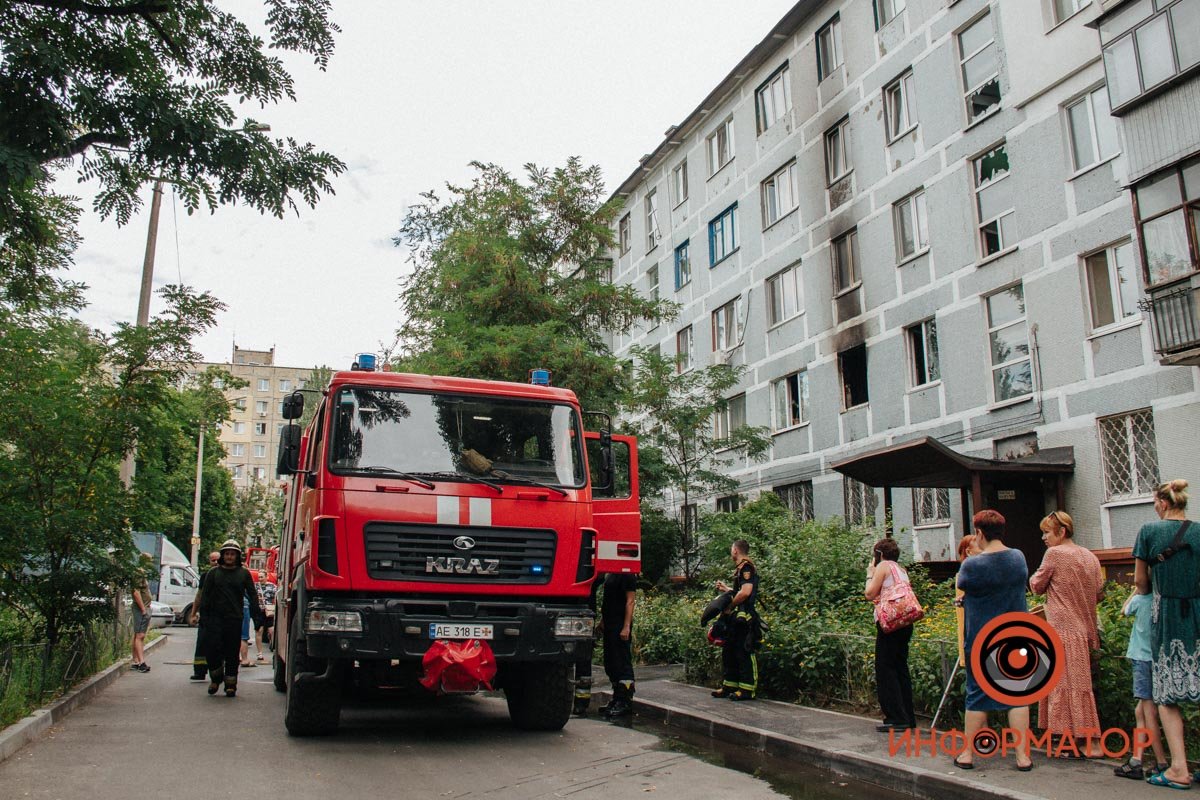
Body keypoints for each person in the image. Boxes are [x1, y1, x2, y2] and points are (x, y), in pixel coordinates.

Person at [953, 509, 1033, 771]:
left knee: (977, 695)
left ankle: (967, 754)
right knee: (1017, 696)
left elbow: (964, 586)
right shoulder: (1018, 558)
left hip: (981, 638)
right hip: (1014, 636)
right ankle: (1022, 757)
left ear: (979, 532)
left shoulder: (972, 565)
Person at [1132, 479, 1196, 789]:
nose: (1155, 508)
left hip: (1168, 616)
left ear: (1165, 503)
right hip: (1198, 612)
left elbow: (1141, 583)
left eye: (1155, 503)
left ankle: (1178, 769)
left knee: (1167, 697)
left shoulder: (1148, 532)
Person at [1028, 510, 1104, 754]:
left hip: (1061, 628)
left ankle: (1073, 740)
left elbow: (1036, 585)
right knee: (1080, 685)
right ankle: (1084, 740)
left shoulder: (1055, 554)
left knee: (1062, 683)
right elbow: (1099, 593)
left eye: (1047, 532)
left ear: (1061, 532)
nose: (1044, 538)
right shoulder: (1090, 556)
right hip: (1084, 628)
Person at [193, 540, 263, 697]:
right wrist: (203, 617)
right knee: (212, 650)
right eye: (227, 554)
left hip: (234, 619)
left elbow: (252, 595)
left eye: (232, 554)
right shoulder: (213, 573)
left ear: (237, 556)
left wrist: (257, 616)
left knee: (231, 652)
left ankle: (231, 684)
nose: (229, 557)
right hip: (215, 619)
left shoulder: (243, 574)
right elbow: (205, 597)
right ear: (222, 556)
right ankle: (216, 678)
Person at [1113, 587, 1166, 779]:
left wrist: (1136, 590)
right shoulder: (1162, 601)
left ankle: (1161, 762)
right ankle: (1137, 759)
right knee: (1140, 711)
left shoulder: (1140, 600)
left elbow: (1124, 610)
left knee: (1148, 711)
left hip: (1141, 659)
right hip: (1158, 659)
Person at [865, 538, 916, 732]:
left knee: (885, 668)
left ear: (879, 554)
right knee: (900, 667)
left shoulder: (883, 566)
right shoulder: (901, 570)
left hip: (890, 624)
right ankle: (908, 717)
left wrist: (870, 574)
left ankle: (896, 717)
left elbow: (869, 594)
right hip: (905, 622)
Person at [712, 539, 760, 701]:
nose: (731, 552)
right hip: (736, 617)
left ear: (735, 551)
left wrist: (730, 606)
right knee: (729, 650)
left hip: (745, 617)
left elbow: (746, 592)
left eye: (731, 549)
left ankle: (747, 689)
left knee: (743, 650)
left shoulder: (747, 567)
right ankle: (729, 686)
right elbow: (740, 590)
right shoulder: (740, 568)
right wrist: (726, 589)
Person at [598, 570, 638, 718]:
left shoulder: (628, 574)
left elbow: (630, 601)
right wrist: (603, 621)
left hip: (620, 625)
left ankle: (625, 701)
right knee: (611, 662)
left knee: (622, 662)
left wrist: (626, 626)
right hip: (610, 623)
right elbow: (608, 600)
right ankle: (616, 698)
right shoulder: (611, 574)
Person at [190, 551, 220, 681]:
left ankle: (218, 672)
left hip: (222, 616)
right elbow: (199, 595)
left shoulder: (227, 575)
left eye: (218, 560)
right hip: (206, 616)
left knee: (219, 645)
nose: (216, 562)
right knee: (202, 643)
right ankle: (199, 671)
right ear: (209, 561)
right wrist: (193, 613)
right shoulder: (205, 576)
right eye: (213, 560)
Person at [130, 554, 153, 673]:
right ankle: (141, 663)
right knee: (140, 635)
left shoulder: (141, 572)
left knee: (137, 635)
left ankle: (135, 661)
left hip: (144, 607)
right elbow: (136, 592)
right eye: (150, 561)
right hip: (141, 609)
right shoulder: (139, 573)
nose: (151, 563)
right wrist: (143, 609)